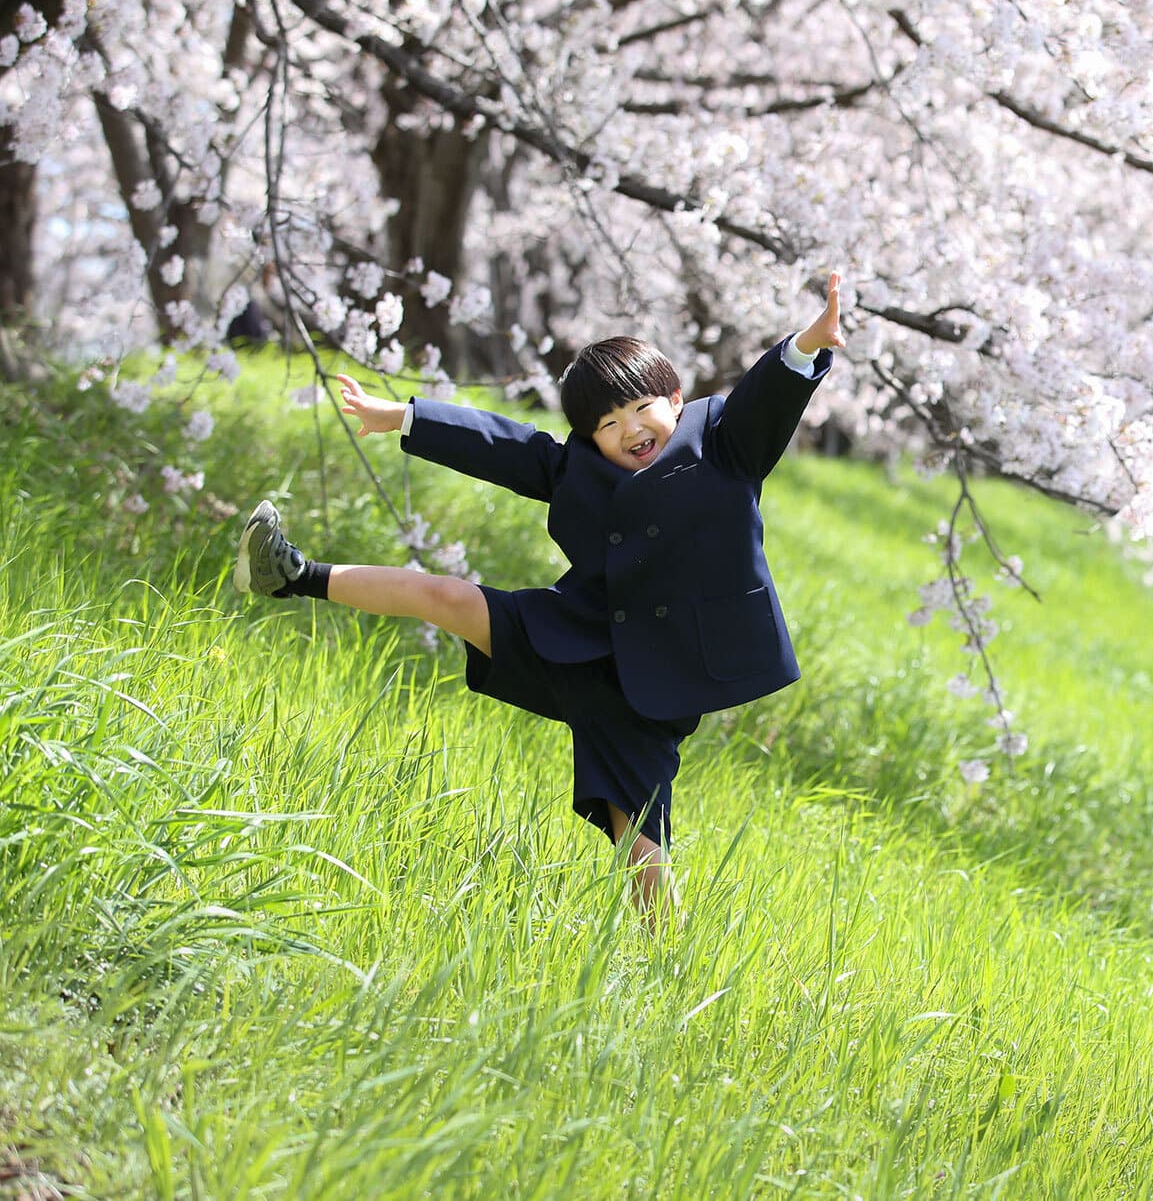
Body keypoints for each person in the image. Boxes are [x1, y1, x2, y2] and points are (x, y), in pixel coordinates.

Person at [234, 276, 846, 923]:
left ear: (675, 399)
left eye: (642, 408)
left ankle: (669, 963)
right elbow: (502, 445)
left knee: (641, 848)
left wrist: (807, 344)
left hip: (644, 697)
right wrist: (404, 416)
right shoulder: (577, 469)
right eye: (608, 424)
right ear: (590, 437)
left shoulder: (723, 444)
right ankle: (290, 573)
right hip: (569, 638)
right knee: (442, 594)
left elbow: (766, 393)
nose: (630, 430)